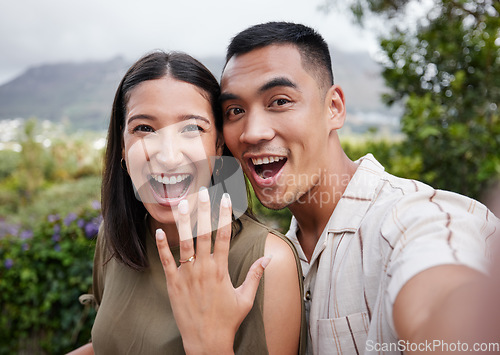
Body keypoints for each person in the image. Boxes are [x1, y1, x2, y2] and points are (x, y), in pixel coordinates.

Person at [173, 22, 500, 354]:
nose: (252, 132)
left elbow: (439, 295)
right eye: (236, 111)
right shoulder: (273, 257)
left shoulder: (411, 218)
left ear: (334, 108)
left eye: (280, 101)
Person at [69, 51, 306, 354]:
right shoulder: (116, 237)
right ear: (124, 147)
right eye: (144, 129)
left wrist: (209, 342)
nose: (168, 156)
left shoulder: (266, 262)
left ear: (218, 144)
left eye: (192, 129)